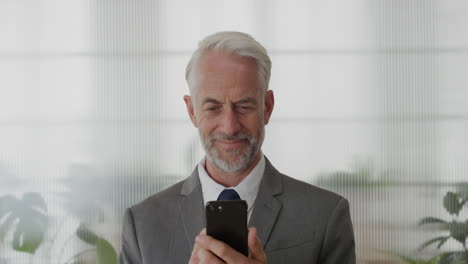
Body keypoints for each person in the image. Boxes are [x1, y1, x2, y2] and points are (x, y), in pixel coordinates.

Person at [119, 31, 355, 264]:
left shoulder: (326, 215)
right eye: (212, 108)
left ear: (268, 107)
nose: (230, 127)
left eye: (244, 106)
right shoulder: (142, 223)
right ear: (192, 111)